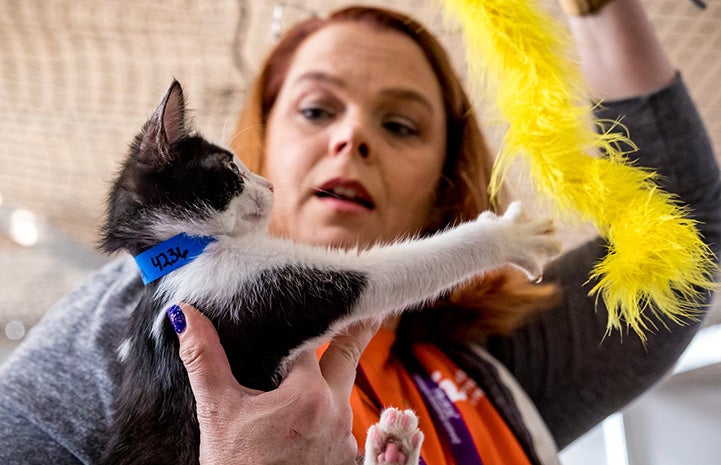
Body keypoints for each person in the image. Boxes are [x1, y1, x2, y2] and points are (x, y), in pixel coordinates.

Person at [0, 0, 718, 464]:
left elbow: (682, 233)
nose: (352, 140)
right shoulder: (134, 317)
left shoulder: (499, 366)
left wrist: (598, 8)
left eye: (399, 124)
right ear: (258, 142)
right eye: (316, 110)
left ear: (445, 187)